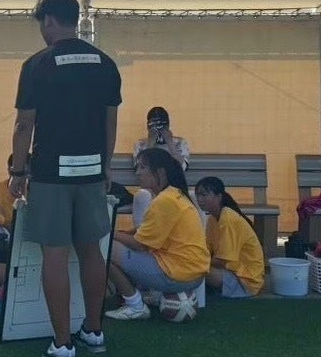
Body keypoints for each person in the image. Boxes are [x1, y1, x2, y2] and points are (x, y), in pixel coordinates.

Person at [9, 0, 121, 357]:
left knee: (54, 256)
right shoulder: (106, 64)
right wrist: (105, 166)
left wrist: (18, 171)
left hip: (50, 175)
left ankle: (63, 345)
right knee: (91, 251)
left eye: (43, 24)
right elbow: (110, 123)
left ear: (50, 21)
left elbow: (24, 125)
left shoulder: (36, 65)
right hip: (92, 172)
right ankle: (94, 331)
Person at [105, 148, 208, 322]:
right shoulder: (174, 194)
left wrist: (109, 233)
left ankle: (135, 305)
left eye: (143, 167)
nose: (138, 173)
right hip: (192, 273)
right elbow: (145, 231)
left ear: (160, 172)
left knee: (105, 248)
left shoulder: (165, 200)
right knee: (113, 243)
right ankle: (145, 296)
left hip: (179, 274)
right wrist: (119, 234)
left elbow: (139, 244)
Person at [194, 176, 265, 299]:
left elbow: (223, 261)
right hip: (232, 272)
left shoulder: (228, 218)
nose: (199, 199)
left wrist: (194, 260)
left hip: (245, 281)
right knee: (191, 265)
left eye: (204, 195)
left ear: (219, 196)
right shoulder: (212, 218)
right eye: (197, 195)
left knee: (193, 269)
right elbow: (207, 249)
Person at [130, 106, 192, 226]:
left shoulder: (180, 143)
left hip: (174, 187)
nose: (158, 129)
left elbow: (181, 168)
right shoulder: (140, 144)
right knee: (143, 195)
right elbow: (140, 169)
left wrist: (169, 142)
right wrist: (150, 143)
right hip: (150, 188)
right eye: (153, 125)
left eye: (161, 125)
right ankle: (142, 230)